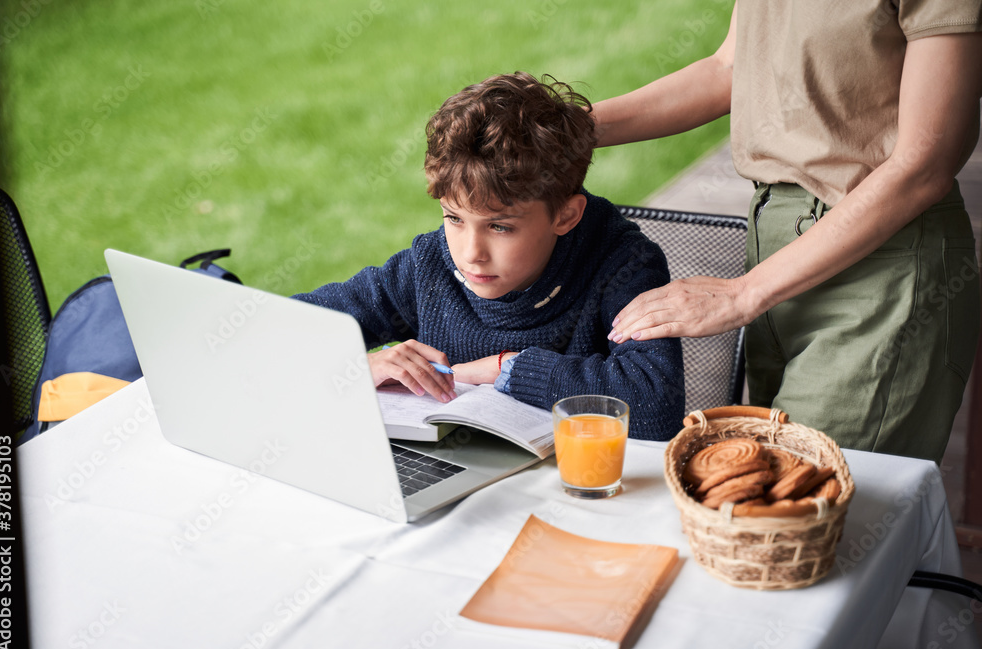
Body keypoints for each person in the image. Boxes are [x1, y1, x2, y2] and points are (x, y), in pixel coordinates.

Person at [593, 2, 982, 462]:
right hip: (774, 255)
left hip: (881, 270)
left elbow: (923, 164)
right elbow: (729, 68)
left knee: (802, 504)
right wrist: (567, 128)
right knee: (773, 494)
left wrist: (743, 294)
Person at [293, 72, 685, 440]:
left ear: (566, 215)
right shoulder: (429, 264)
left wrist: (506, 368)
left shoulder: (623, 264)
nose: (469, 254)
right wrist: (358, 366)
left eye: (500, 227)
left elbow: (655, 403)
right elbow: (275, 332)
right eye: (454, 218)